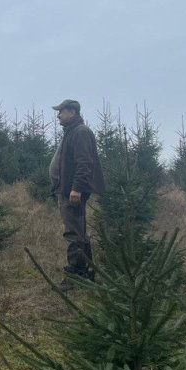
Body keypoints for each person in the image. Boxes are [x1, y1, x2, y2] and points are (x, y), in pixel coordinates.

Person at [49, 99, 105, 291]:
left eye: (61, 112)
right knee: (79, 232)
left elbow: (84, 163)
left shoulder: (81, 132)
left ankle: (76, 274)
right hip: (66, 190)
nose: (58, 115)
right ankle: (87, 273)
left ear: (72, 112)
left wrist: (76, 189)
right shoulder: (71, 132)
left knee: (73, 233)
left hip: (72, 192)